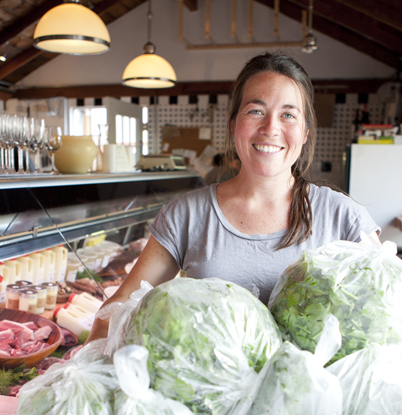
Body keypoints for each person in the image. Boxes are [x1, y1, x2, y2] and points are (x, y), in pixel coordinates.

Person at [87, 52, 379, 341]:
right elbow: (118, 309)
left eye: (288, 115)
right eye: (256, 111)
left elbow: (390, 316)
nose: (270, 128)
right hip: (203, 387)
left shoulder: (344, 218)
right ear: (232, 124)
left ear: (304, 133)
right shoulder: (187, 215)